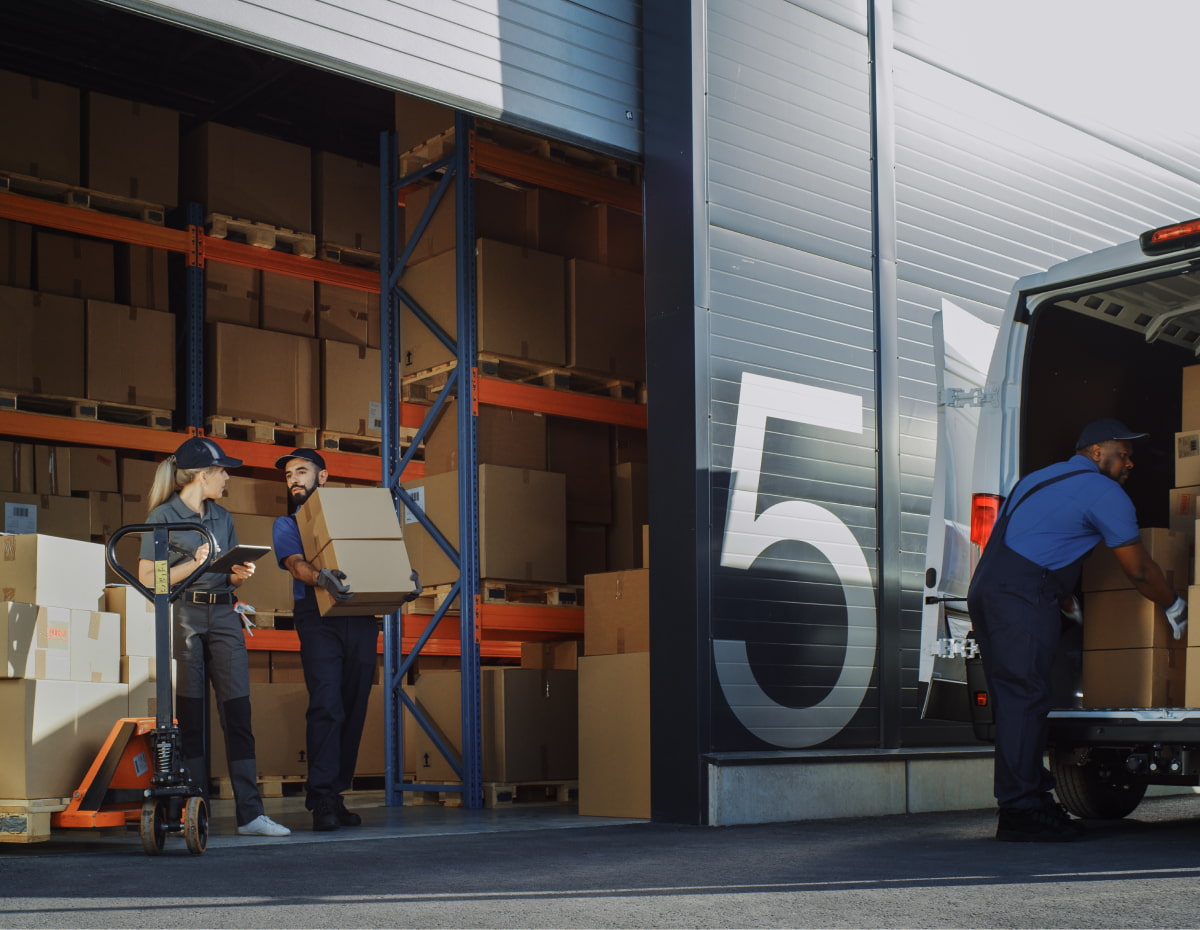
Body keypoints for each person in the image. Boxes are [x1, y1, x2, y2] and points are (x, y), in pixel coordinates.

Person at [967, 418, 1187, 843]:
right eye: (1122, 454)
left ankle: (1027, 801)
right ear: (1095, 452)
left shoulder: (1037, 479)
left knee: (1017, 701)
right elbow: (1139, 569)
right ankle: (1021, 811)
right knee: (1026, 701)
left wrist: (1065, 601)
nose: (1129, 464)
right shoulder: (1105, 492)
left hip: (990, 591)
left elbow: (1035, 542)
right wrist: (1174, 605)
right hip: (1023, 598)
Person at [137, 436, 291, 838]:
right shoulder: (161, 518)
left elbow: (225, 568)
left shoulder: (222, 517)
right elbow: (147, 579)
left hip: (223, 612)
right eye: (222, 471)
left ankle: (250, 815)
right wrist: (193, 563)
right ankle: (192, 807)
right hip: (183, 613)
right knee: (190, 717)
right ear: (202, 475)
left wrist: (237, 575)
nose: (226, 478)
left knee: (238, 712)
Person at [271, 448, 375, 832]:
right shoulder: (287, 524)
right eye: (288, 475)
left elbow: (377, 551)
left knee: (353, 704)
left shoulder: (351, 519)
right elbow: (296, 565)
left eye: (302, 471)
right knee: (327, 704)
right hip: (319, 619)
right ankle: (322, 800)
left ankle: (334, 792)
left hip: (360, 615)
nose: (294, 479)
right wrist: (320, 578)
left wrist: (399, 579)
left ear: (323, 477)